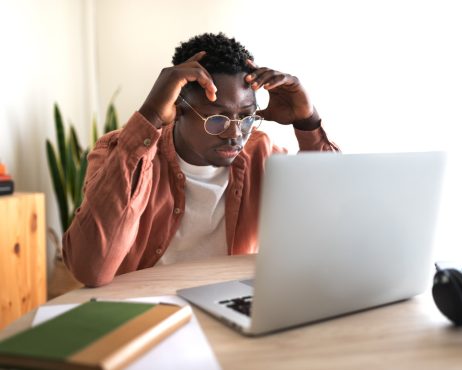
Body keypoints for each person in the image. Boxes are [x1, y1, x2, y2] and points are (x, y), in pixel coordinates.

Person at [63, 33, 339, 287]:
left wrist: (308, 121)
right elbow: (91, 269)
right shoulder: (119, 150)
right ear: (177, 108)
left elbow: (332, 224)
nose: (235, 134)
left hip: (226, 305)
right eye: (216, 119)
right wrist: (150, 116)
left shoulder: (261, 155)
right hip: (141, 309)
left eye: (246, 118)